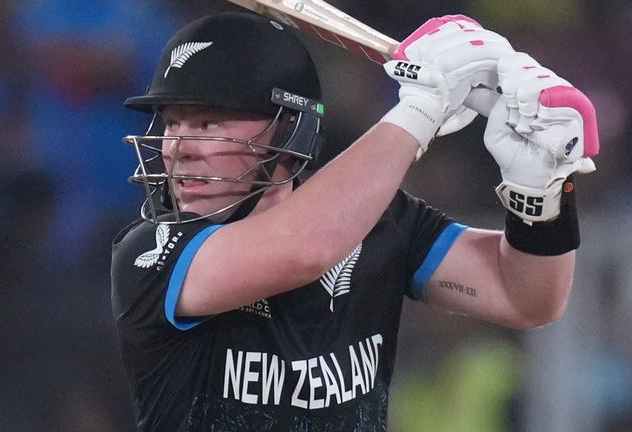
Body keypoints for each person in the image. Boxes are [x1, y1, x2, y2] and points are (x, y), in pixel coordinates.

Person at [111, 11, 598, 432]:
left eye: (208, 123)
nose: (178, 147)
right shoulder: (153, 253)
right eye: (172, 122)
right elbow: (305, 249)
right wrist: (423, 106)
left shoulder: (380, 220)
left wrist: (538, 191)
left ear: (291, 125)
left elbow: (527, 298)